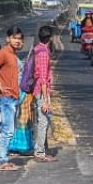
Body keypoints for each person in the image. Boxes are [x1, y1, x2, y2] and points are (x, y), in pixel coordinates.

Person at [0, 26, 24, 172]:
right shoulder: (3, 53)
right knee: (8, 130)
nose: (17, 41)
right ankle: (3, 160)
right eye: (14, 37)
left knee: (9, 130)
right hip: (6, 97)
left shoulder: (13, 54)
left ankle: (4, 158)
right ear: (8, 39)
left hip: (13, 96)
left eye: (19, 38)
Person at [32, 25, 56, 162]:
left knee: (44, 120)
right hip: (41, 91)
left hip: (42, 91)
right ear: (50, 38)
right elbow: (42, 79)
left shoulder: (41, 50)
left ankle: (42, 149)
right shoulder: (42, 53)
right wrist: (46, 100)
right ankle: (39, 152)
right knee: (43, 122)